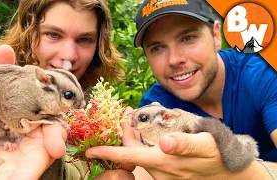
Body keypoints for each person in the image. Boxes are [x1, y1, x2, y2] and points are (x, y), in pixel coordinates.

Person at [84, 0, 277, 179]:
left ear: (216, 36)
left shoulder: (265, 75)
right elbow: (151, 170)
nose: (174, 59)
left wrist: (240, 175)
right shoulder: (155, 106)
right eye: (157, 48)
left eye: (188, 38)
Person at [0, 0, 124, 179]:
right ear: (28, 30)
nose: (68, 55)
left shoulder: (94, 108)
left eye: (84, 40)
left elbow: (78, 168)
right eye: (53, 35)